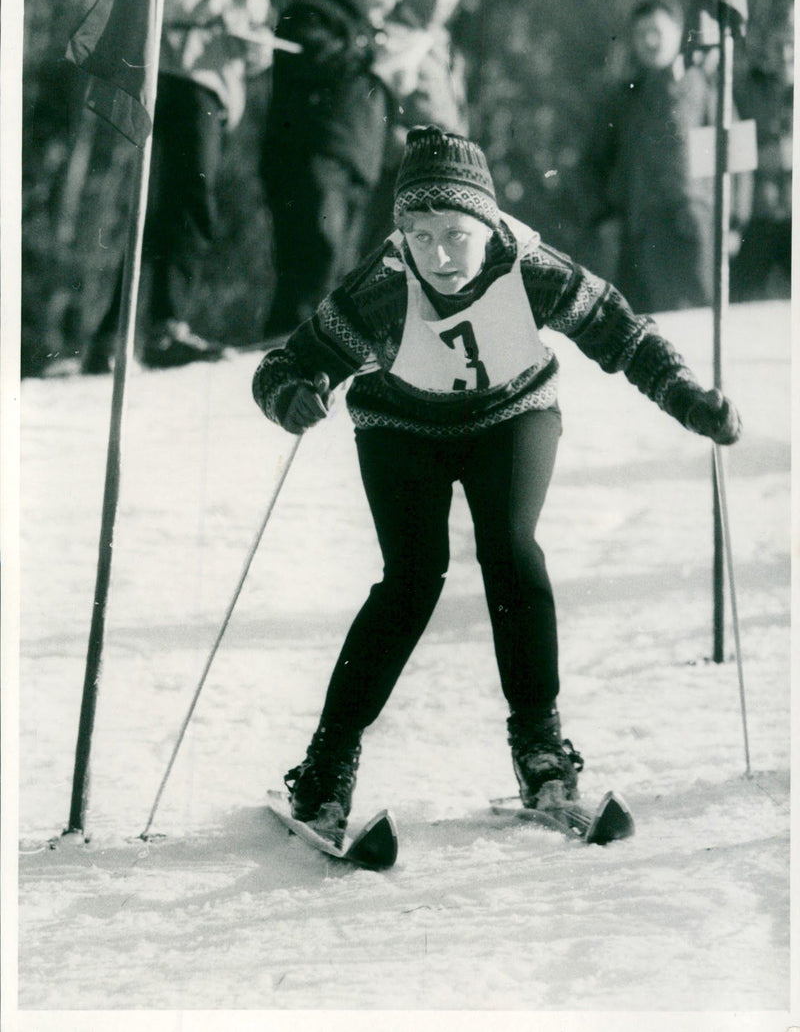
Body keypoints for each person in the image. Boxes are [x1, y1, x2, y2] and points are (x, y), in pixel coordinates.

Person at [252, 125, 742, 848]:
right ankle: (325, 769)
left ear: (487, 225)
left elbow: (623, 334)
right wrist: (292, 393)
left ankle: (542, 755)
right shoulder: (387, 284)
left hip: (511, 414)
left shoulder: (531, 267)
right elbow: (283, 364)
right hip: (399, 426)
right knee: (412, 580)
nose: (439, 255)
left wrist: (688, 397)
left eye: (455, 234)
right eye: (419, 236)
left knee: (512, 549)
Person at [83, 0, 274, 374]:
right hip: (179, 80)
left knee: (171, 210)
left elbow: (247, 34)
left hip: (216, 90)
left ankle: (116, 334)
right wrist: (228, 5)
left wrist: (255, 43)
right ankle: (162, 329)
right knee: (187, 204)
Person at [260, 0, 411, 340]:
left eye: (395, 0)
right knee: (315, 251)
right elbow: (311, 56)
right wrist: (367, 53)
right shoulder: (315, 8)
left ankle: (307, 350)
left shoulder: (367, 29)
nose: (387, 5)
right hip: (313, 152)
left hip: (356, 162)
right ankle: (289, 350)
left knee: (337, 265)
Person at [577, 0, 745, 313]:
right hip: (639, 235)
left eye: (658, 31)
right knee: (645, 329)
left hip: (693, 233)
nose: (650, 41)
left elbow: (734, 156)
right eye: (642, 34)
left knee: (696, 324)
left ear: (677, 32)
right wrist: (604, 216)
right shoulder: (623, 97)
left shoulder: (702, 85)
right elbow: (592, 163)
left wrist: (735, 222)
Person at [360, 0, 470, 255]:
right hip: (397, 183)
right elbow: (373, 115)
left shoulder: (447, 48)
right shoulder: (391, 34)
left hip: (443, 188)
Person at [731, 0, 793, 301]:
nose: (785, 54)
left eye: (794, 43)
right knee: (747, 302)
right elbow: (728, 153)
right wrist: (761, 156)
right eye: (778, 43)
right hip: (758, 216)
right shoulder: (745, 89)